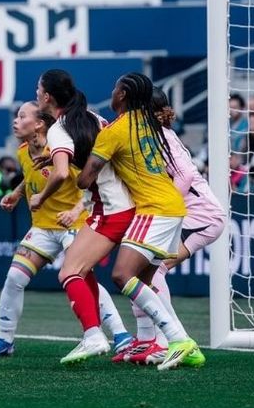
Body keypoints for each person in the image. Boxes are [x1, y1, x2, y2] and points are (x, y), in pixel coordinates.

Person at [0, 102, 131, 358]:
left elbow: (87, 180)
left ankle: (121, 334)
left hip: (75, 223)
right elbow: (32, 175)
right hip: (43, 227)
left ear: (39, 123)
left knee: (82, 276)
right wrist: (17, 194)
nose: (15, 121)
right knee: (15, 278)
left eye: (22, 116)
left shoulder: (61, 147)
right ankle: (5, 341)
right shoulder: (23, 151)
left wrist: (74, 210)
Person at [73, 73, 202, 370]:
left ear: (124, 95)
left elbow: (84, 180)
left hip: (154, 208)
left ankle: (177, 338)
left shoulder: (115, 131)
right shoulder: (149, 122)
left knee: (121, 275)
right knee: (145, 281)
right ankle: (181, 345)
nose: (112, 92)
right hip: (172, 205)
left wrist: (67, 163)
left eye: (116, 88)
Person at [113, 88, 226, 363]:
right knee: (141, 271)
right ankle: (149, 341)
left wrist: (163, 207)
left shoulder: (162, 136)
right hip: (186, 213)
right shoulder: (155, 136)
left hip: (199, 216)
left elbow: (186, 175)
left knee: (155, 269)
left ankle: (170, 341)